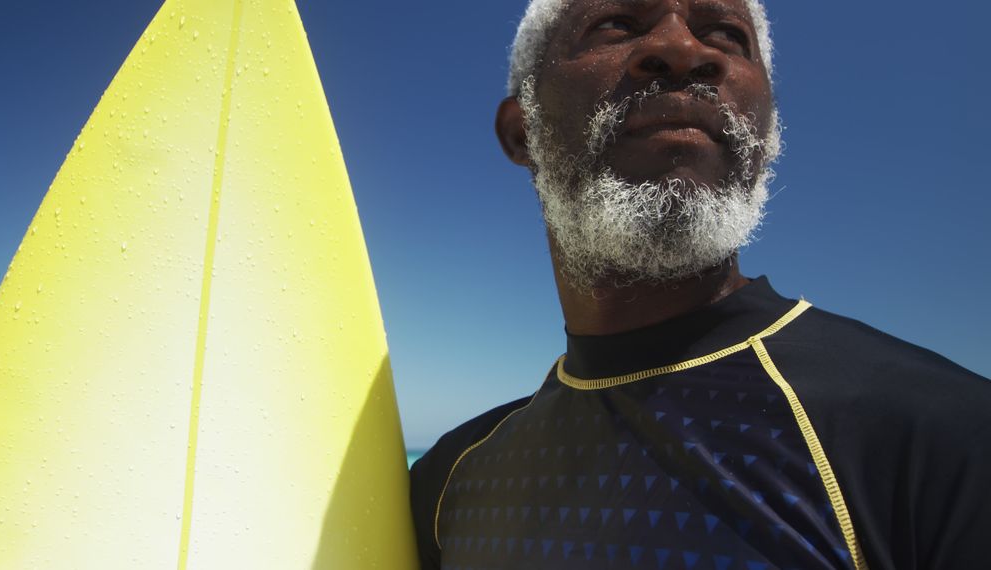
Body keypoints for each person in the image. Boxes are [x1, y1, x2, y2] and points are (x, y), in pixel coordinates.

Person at [407, 0, 991, 568]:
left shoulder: (947, 438)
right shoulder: (450, 477)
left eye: (726, 35)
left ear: (769, 134)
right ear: (521, 133)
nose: (682, 48)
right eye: (616, 24)